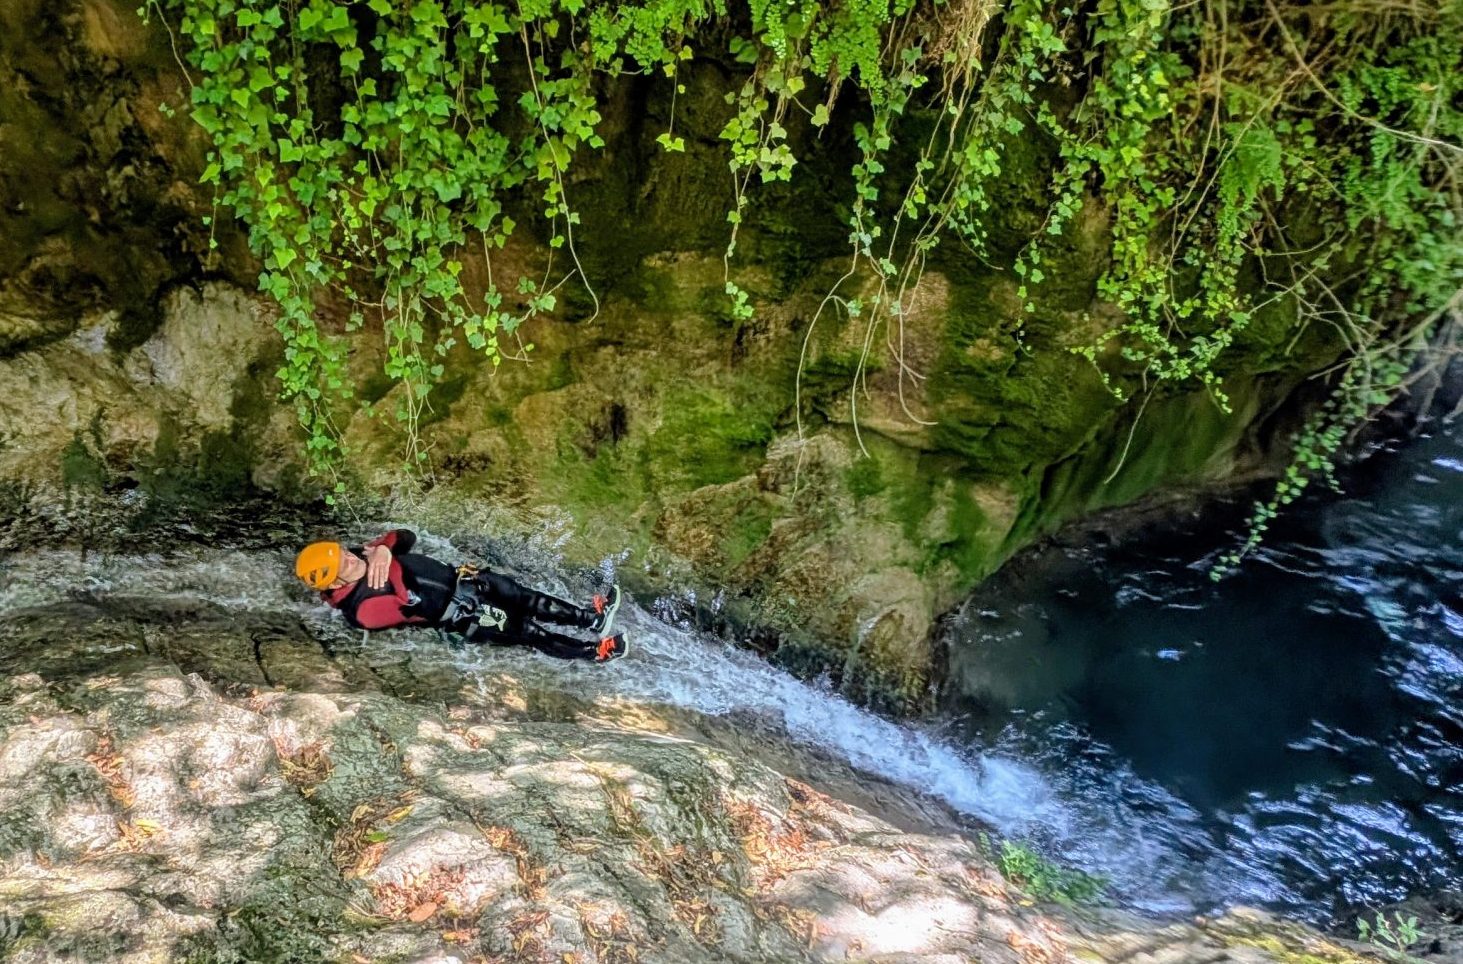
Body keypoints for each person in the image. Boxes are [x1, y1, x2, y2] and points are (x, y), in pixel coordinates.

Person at [294, 528, 628, 662]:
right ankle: (594, 652)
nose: (352, 557)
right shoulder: (361, 611)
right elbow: (409, 601)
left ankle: (592, 619)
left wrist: (382, 548)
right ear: (335, 584)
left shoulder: (361, 558)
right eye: (345, 563)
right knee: (530, 632)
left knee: (529, 598)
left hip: (465, 579)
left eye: (345, 553)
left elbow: (405, 537)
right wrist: (387, 559)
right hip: (464, 612)